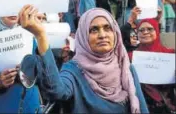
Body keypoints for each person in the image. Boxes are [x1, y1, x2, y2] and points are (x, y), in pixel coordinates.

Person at [19, 6, 149, 113]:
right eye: (93, 30)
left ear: (115, 33)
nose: (102, 35)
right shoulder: (74, 70)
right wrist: (41, 36)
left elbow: (142, 108)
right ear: (83, 37)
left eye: (107, 28)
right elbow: (57, 91)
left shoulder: (126, 68)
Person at [130, 18, 175, 113]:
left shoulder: (171, 54)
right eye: (141, 30)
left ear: (157, 31)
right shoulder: (130, 56)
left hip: (167, 106)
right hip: (141, 106)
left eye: (150, 29)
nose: (145, 32)